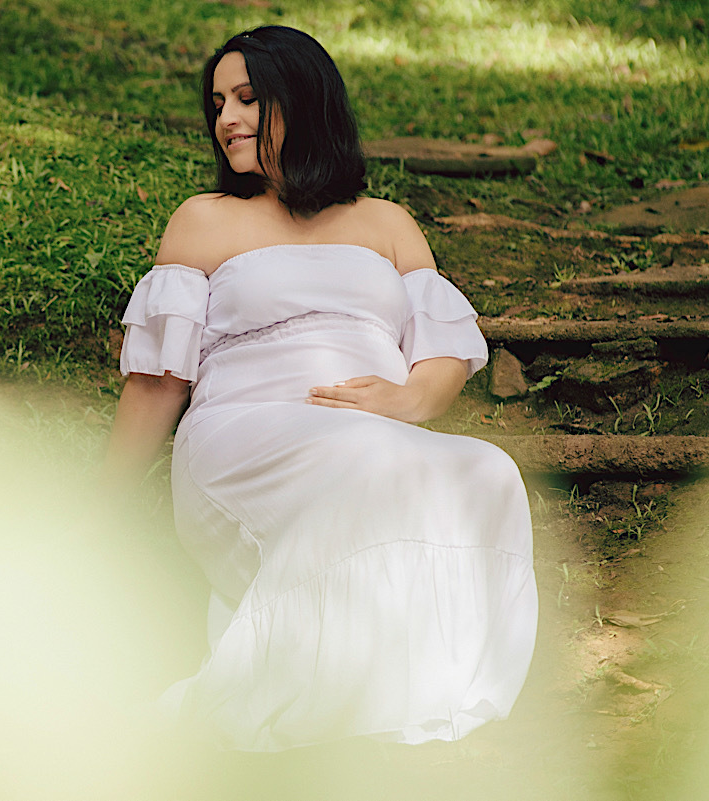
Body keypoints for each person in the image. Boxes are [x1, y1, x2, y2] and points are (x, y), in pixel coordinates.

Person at [103, 25, 537, 750]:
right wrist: (100, 502)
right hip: (244, 438)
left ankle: (413, 682)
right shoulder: (206, 221)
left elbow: (443, 356)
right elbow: (158, 382)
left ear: (303, 102)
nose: (227, 120)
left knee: (487, 470)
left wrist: (404, 401)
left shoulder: (388, 224)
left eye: (247, 99)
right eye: (217, 104)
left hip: (373, 436)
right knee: (366, 461)